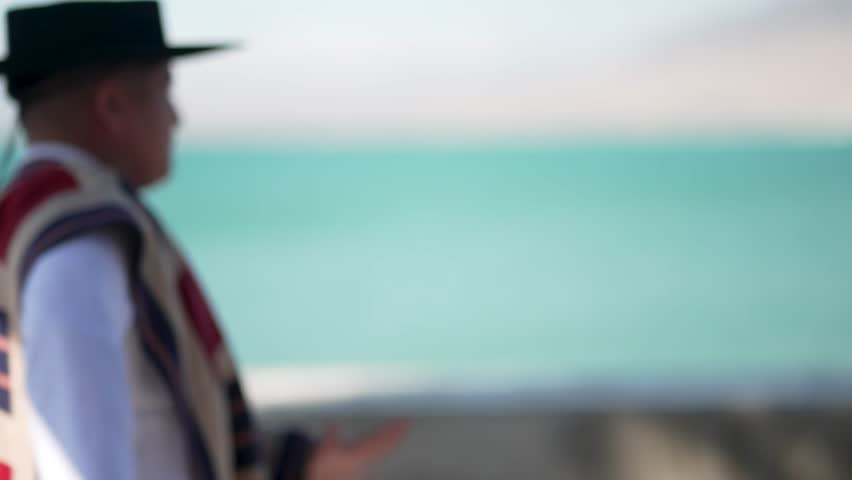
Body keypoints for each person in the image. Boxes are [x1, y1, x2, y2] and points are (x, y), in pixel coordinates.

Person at [0, 2, 406, 479]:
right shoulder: (79, 247)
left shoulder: (41, 218)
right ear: (111, 106)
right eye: (165, 90)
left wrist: (293, 461)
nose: (177, 117)